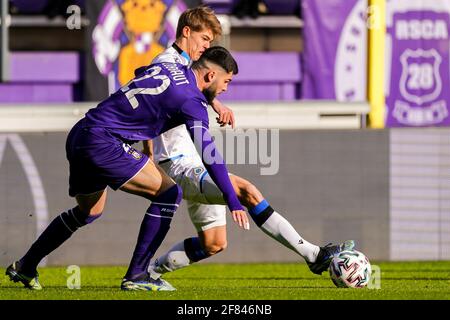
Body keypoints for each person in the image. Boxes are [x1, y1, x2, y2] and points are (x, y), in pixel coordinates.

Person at [144, 6, 355, 289]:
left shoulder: (185, 68)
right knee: (246, 191)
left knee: (214, 243)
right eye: (205, 39)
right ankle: (313, 254)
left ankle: (150, 271)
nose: (207, 46)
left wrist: (214, 101)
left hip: (194, 160)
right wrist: (147, 141)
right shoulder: (166, 62)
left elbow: (186, 89)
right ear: (186, 32)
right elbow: (145, 87)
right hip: (179, 162)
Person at [6, 46, 249, 291]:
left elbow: (141, 72)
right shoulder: (192, 101)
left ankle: (26, 266)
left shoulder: (168, 67)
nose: (226, 89)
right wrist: (232, 199)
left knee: (88, 212)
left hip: (81, 133)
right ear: (209, 76)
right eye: (226, 81)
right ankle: (137, 275)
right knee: (169, 193)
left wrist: (211, 102)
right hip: (105, 142)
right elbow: (209, 153)